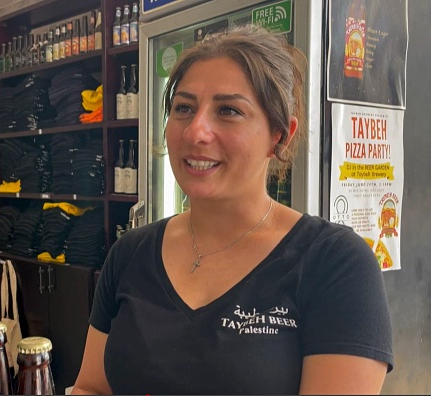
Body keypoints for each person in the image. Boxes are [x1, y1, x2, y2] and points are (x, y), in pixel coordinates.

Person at [72, 24, 393, 395]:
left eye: (228, 110)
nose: (196, 131)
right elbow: (91, 388)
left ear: (279, 136)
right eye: (184, 108)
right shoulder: (130, 253)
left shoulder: (336, 264)